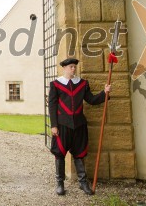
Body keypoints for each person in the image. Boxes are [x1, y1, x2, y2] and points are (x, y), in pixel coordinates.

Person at [48, 58, 111, 196]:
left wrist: (104, 93)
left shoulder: (82, 84)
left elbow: (91, 100)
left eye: (74, 67)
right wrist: (54, 125)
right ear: (64, 68)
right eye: (70, 67)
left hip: (79, 125)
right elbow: (52, 106)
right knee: (59, 153)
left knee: (80, 153)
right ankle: (60, 183)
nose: (73, 69)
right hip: (62, 125)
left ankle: (83, 183)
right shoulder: (55, 85)